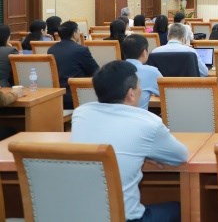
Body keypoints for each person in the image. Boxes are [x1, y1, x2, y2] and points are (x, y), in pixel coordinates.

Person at [71, 61, 188, 222]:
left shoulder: (81, 114)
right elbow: (180, 156)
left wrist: (142, 152)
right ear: (131, 93)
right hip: (125, 218)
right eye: (140, 86)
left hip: (80, 216)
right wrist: (147, 152)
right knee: (181, 209)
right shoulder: (148, 122)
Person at [48, 21, 99, 110]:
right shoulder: (81, 50)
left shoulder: (51, 49)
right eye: (78, 30)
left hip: (58, 96)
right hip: (77, 96)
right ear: (74, 34)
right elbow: (95, 71)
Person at [122, 34, 162, 111]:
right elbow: (166, 94)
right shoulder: (152, 72)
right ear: (144, 52)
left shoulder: (112, 70)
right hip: (140, 117)